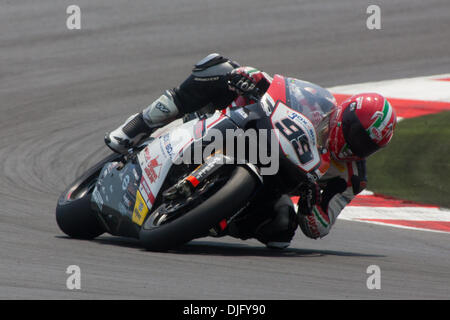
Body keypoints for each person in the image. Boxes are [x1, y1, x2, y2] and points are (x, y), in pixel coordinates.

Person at [105, 53, 397, 248]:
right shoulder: (318, 103)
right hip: (252, 129)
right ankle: (136, 126)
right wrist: (253, 78)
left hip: (275, 182)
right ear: (344, 114)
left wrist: (312, 201)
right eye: (356, 133)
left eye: (367, 145)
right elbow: (279, 87)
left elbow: (320, 227)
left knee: (282, 234)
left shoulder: (351, 178)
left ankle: (209, 217)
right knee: (219, 67)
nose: (355, 144)